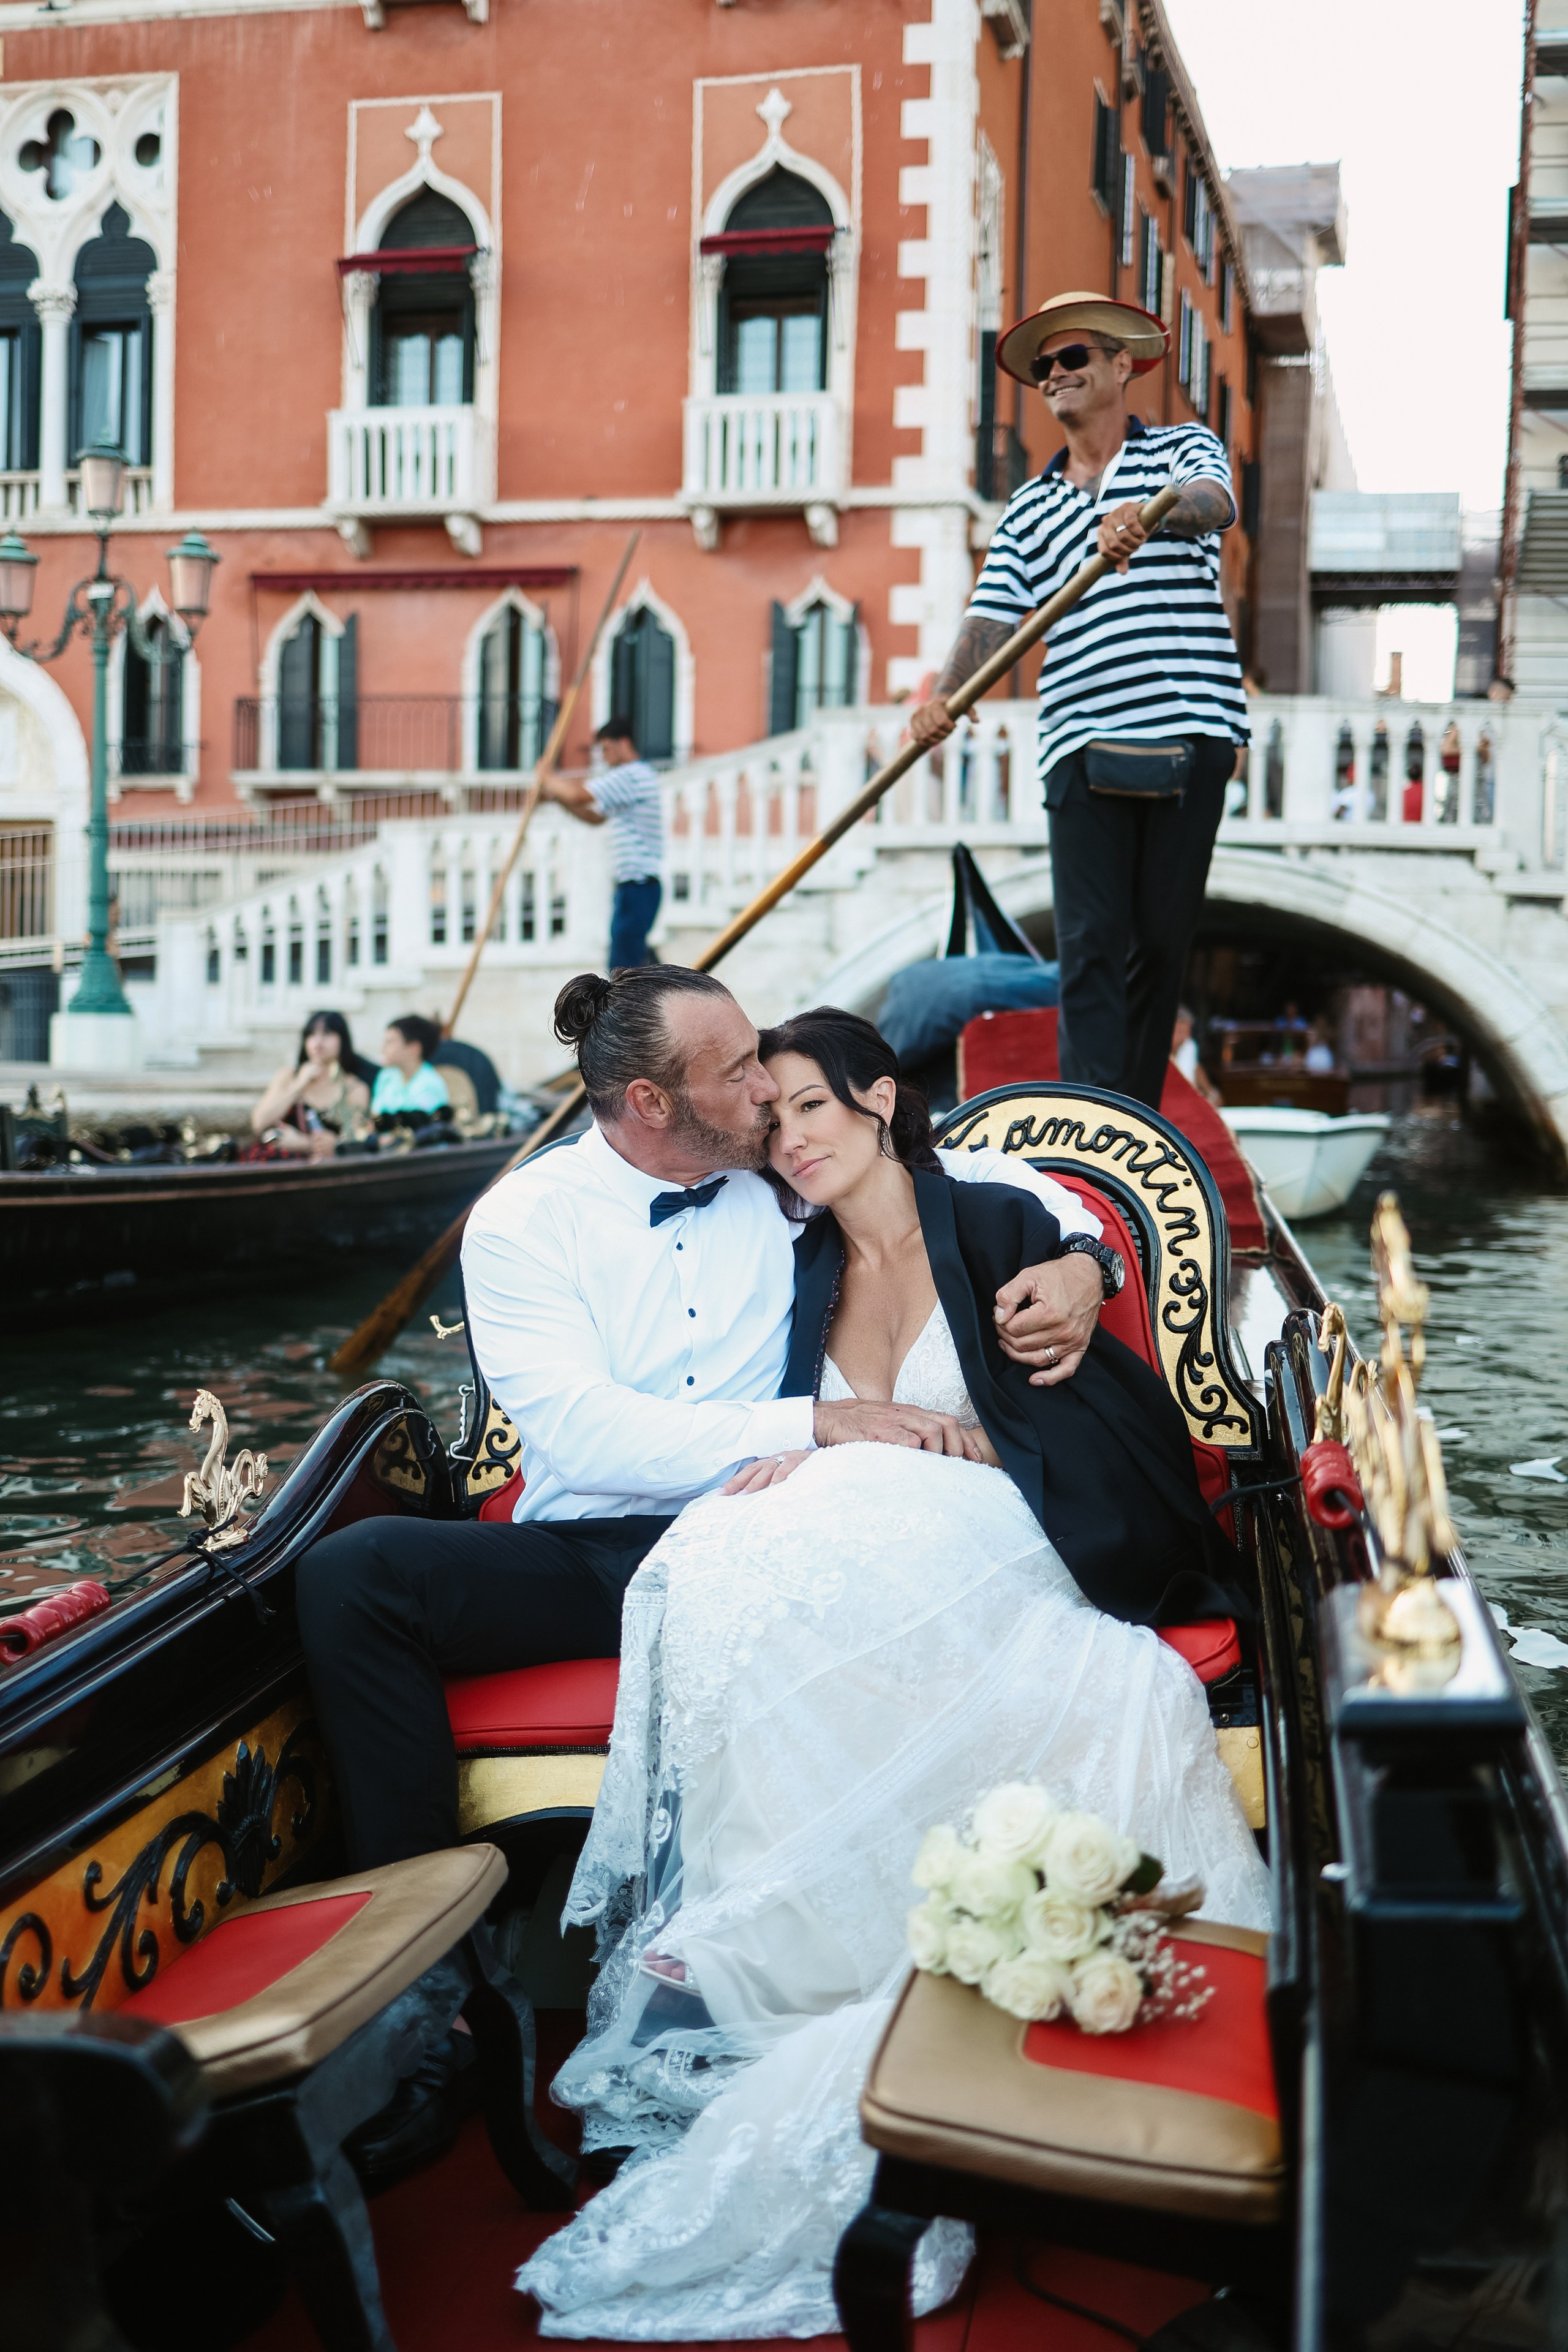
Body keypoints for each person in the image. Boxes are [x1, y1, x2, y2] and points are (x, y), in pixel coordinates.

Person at [516, 1008, 1268, 2339]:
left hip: (1006, 1523)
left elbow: (1063, 1241)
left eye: (811, 1105)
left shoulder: (986, 1214)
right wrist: (803, 1442)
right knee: (733, 1551)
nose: (788, 1138)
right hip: (864, 1523)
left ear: (877, 1100)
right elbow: (729, 1396)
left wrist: (1089, 1263)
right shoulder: (784, 1251)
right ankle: (781, 1950)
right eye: (773, 1117)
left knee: (789, 1544)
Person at [909, 291, 1248, 1111]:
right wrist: (945, 696)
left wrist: (1152, 514)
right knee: (1092, 944)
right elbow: (993, 615)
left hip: (1190, 727)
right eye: (1044, 366)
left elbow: (1216, 503)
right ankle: (1091, 1116)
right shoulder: (1029, 507)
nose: (1055, 374)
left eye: (1073, 358)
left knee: (1157, 945)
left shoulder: (1179, 451)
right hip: (1079, 739)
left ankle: (1134, 1116)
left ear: (1121, 366)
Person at [541, 715, 665, 970]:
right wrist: (557, 798)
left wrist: (547, 776)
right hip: (633, 886)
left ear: (624, 743)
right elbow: (594, 818)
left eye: (606, 749)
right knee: (628, 960)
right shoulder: (632, 780)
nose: (604, 757)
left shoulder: (631, 776)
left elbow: (579, 796)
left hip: (639, 884)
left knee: (623, 966)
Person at [248, 1009, 373, 1159]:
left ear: (343, 1039)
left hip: (318, 1168)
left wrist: (305, 1143)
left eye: (327, 1034)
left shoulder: (354, 1089)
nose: (318, 1043)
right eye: (311, 1035)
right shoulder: (289, 1076)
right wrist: (298, 1086)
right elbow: (259, 1123)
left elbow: (355, 1143)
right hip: (269, 1161)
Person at [371, 1014, 451, 1120]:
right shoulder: (387, 1077)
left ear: (414, 1048)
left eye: (390, 1042)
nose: (383, 1048)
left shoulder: (431, 1085)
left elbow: (422, 1125)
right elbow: (375, 1117)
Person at [1170, 1005, 1223, 1107]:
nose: (1185, 1037)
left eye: (1188, 1032)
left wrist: (1212, 1093)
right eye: (1181, 1032)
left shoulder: (1188, 1046)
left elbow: (1195, 1068)